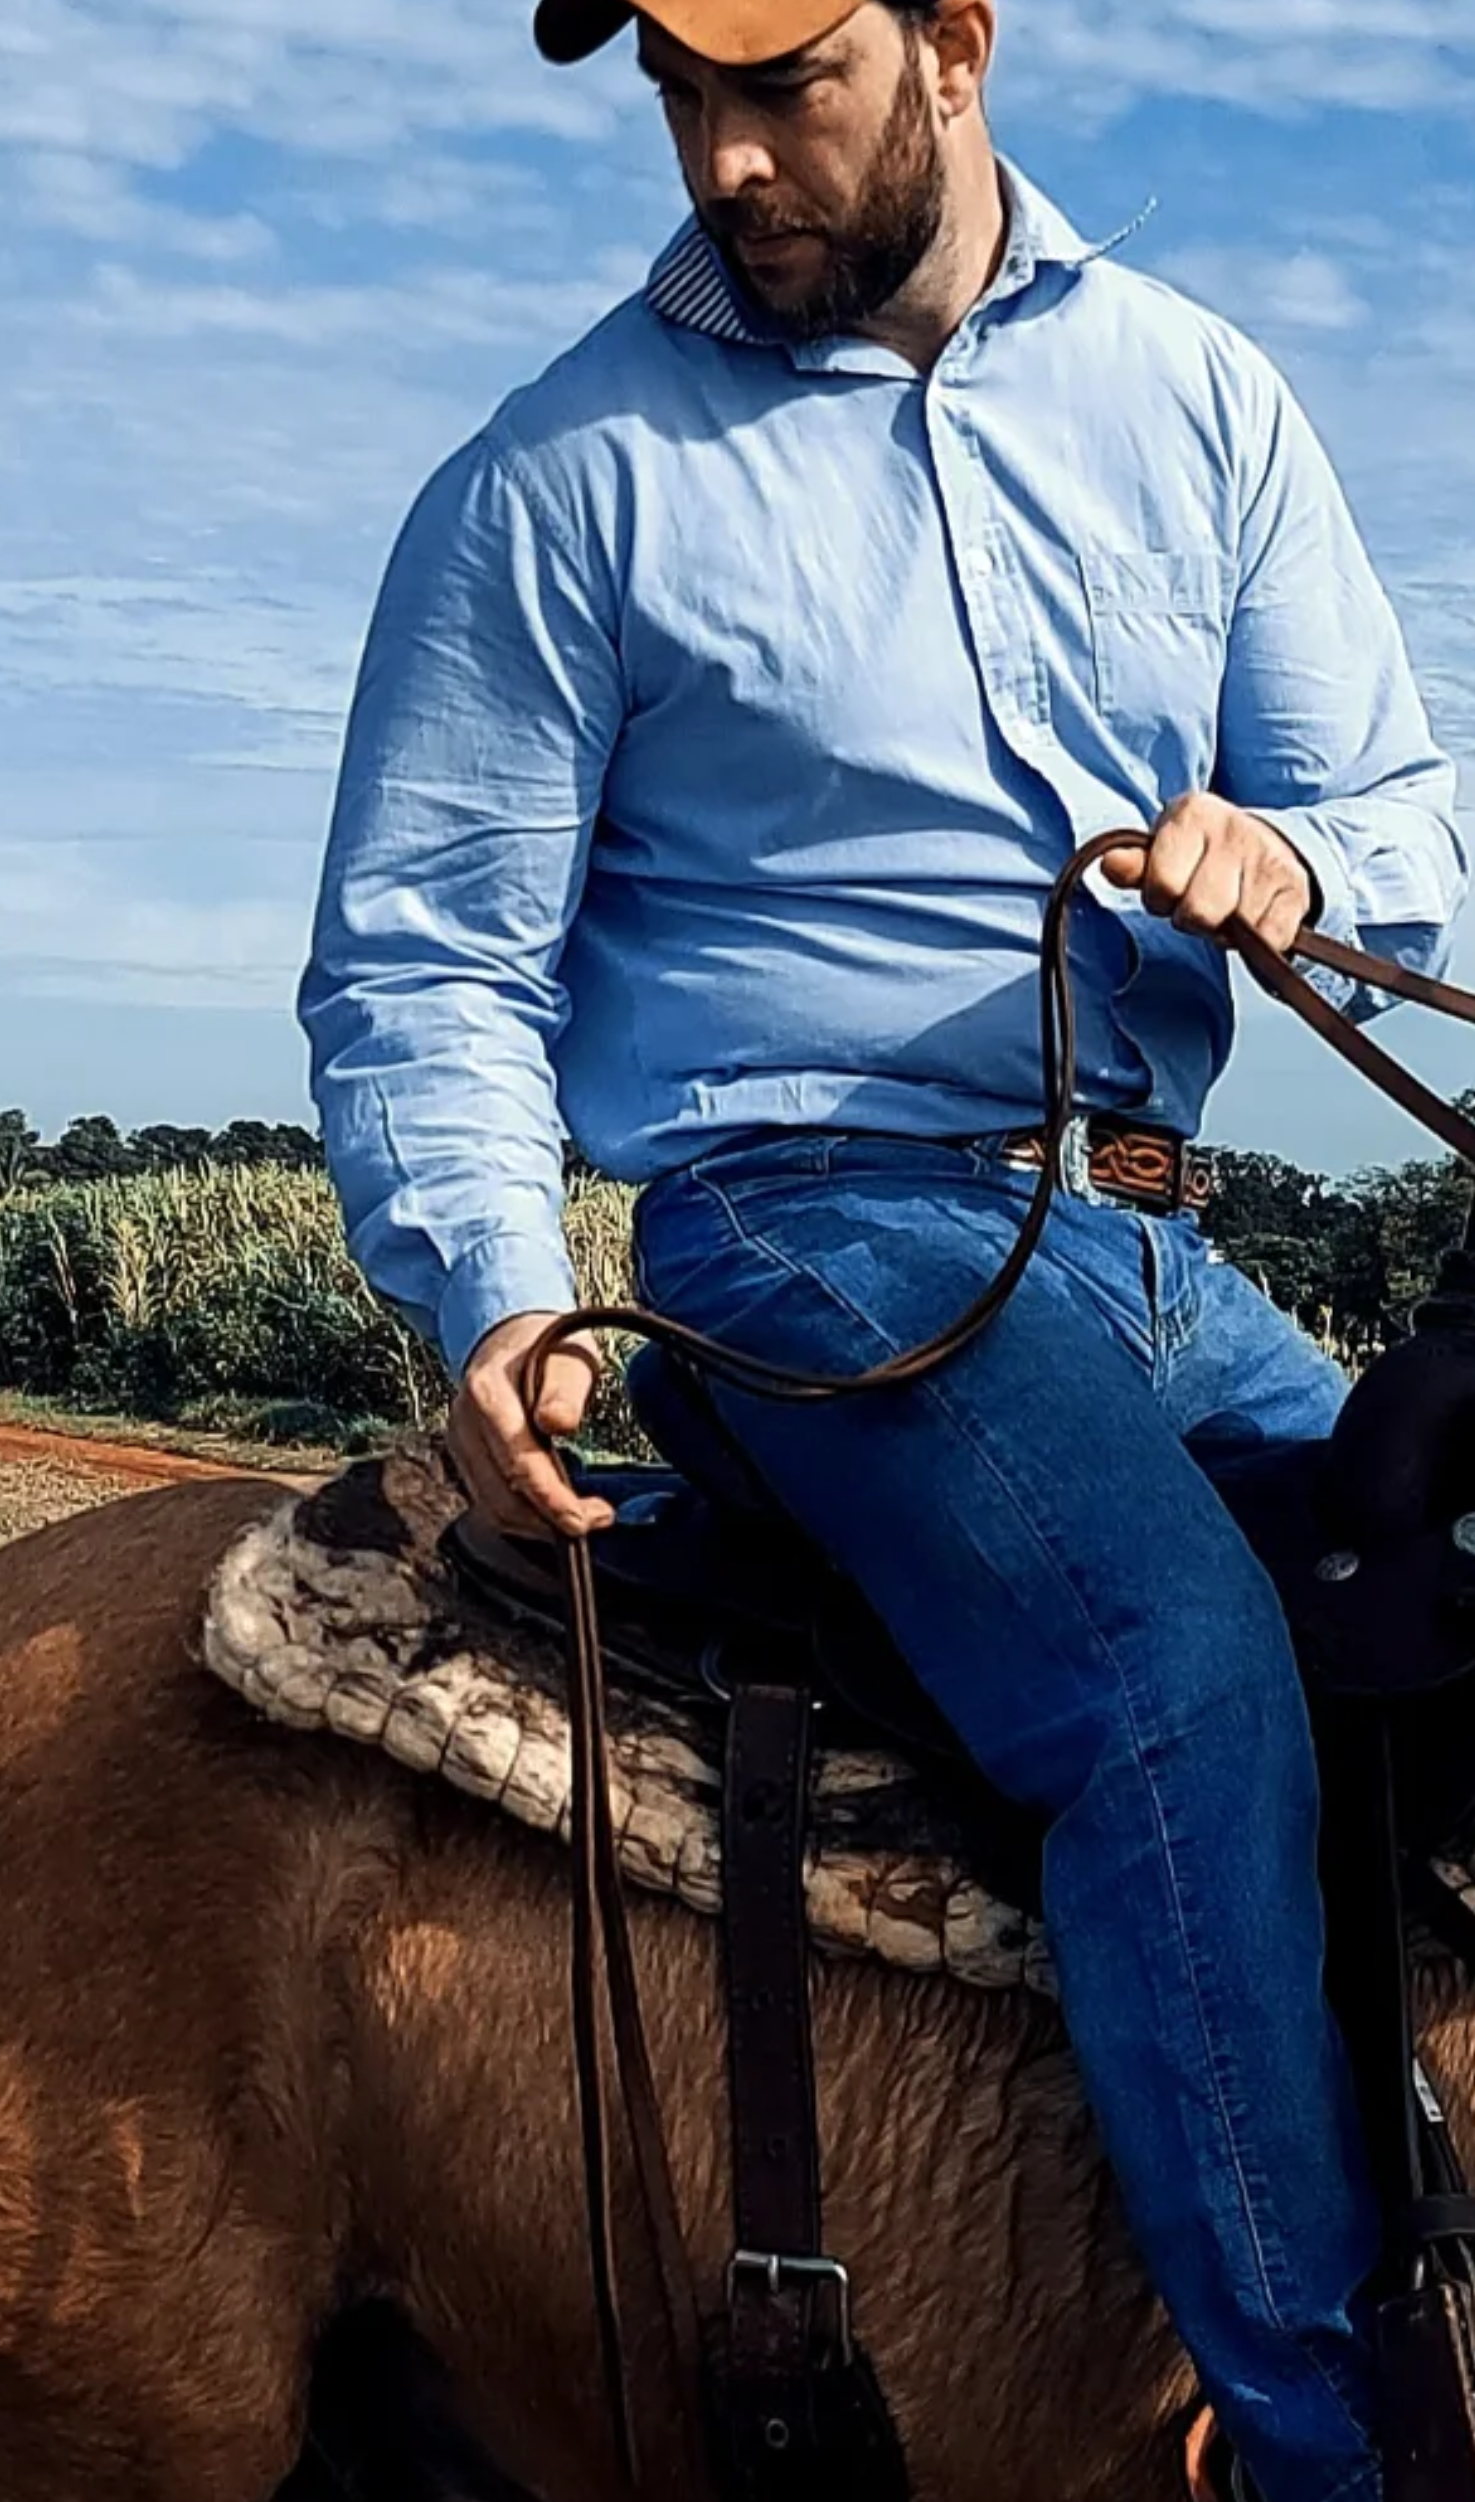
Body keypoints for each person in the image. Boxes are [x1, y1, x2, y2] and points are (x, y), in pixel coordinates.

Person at [298, 2, 1467, 2493]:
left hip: (1154, 1247)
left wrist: (1295, 863)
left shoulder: (1196, 399)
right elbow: (427, 958)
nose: (723, 157)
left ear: (949, 43)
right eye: (678, 96)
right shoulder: (557, 479)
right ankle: (1325, 2447)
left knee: (1435, 1608)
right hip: (801, 1223)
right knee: (1166, 1670)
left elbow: (1393, 811)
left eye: (780, 83)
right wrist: (494, 1277)